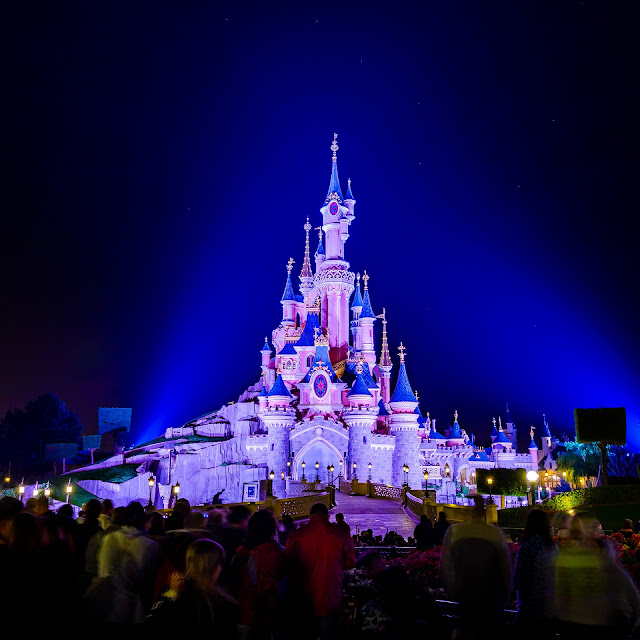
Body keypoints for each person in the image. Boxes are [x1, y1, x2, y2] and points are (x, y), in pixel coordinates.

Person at [555, 511, 640, 639]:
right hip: (603, 626)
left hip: (574, 626)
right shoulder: (602, 555)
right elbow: (631, 592)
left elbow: (560, 598)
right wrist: (632, 625)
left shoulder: (566, 557)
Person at [440, 496, 512, 640]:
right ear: (483, 512)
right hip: (491, 600)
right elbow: (507, 570)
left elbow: (444, 567)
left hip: (465, 597)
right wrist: (506, 597)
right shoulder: (494, 533)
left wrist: (452, 592)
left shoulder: (455, 532)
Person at [285, 502, 355, 639]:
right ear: (327, 516)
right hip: (331, 599)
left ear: (310, 516)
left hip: (303, 600)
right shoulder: (340, 533)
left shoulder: (297, 535)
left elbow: (288, 563)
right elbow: (350, 562)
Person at [147, 537, 239, 632]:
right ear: (211, 566)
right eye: (219, 563)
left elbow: (153, 619)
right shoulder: (224, 605)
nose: (221, 568)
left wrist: (171, 593)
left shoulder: (176, 594)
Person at [229, 509, 286, 639]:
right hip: (269, 610)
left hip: (244, 611)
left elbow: (235, 581)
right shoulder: (277, 552)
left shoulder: (241, 551)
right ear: (272, 530)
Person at [513, 509, 558, 639]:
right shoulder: (553, 547)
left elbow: (519, 578)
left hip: (531, 607)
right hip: (549, 606)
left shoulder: (527, 547)